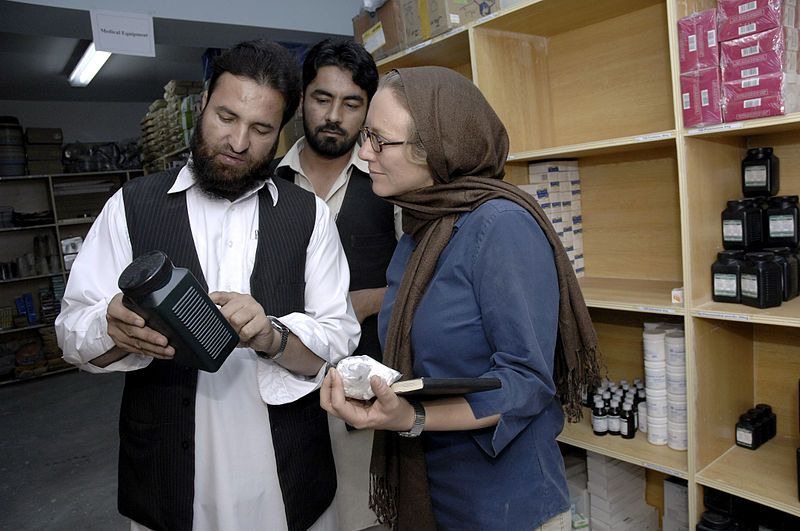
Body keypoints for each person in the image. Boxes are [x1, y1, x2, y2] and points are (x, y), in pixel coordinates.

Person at [55, 39, 360, 531]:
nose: (239, 142)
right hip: (168, 481)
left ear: (281, 133)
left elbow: (338, 341)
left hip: (287, 482)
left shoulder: (309, 218)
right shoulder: (131, 206)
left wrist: (272, 336)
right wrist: (112, 329)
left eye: (261, 129)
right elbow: (71, 331)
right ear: (202, 107)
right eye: (226, 117)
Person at [320, 66, 602, 530]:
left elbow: (526, 382)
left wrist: (412, 416)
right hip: (434, 489)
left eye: (379, 140)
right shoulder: (422, 227)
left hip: (501, 504)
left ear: (436, 149)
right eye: (365, 135)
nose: (363, 152)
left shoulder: (500, 226)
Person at [272, 38, 397, 531]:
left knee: (364, 514)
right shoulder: (268, 183)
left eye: (351, 104)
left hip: (367, 390)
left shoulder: (390, 181)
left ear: (367, 112)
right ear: (302, 99)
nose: (334, 115)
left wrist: (368, 302)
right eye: (322, 99)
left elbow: (429, 277)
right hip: (282, 388)